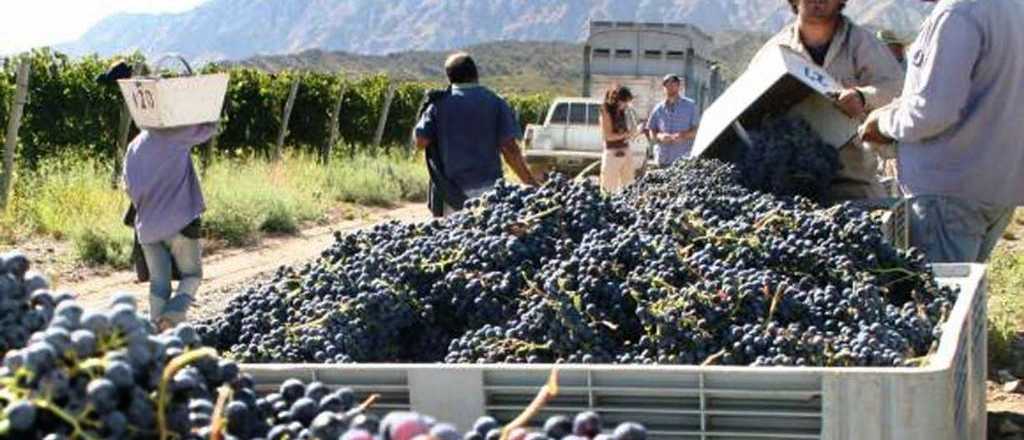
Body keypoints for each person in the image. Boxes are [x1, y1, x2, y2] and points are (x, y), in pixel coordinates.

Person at [859, 0, 1024, 263]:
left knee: (942, 298)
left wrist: (881, 124)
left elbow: (932, 113)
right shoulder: (1011, 7)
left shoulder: (956, 15)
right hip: (996, 187)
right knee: (965, 294)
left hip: (949, 194)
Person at [750, 0, 904, 201]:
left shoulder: (863, 45)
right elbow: (750, 110)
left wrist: (863, 96)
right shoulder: (774, 53)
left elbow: (897, 89)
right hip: (788, 191)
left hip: (853, 186)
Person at [414, 52, 539, 217]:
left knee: (453, 240)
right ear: (476, 74)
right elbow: (510, 150)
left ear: (449, 77)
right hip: (489, 192)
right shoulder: (495, 102)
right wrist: (530, 184)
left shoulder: (438, 105)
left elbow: (421, 141)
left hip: (452, 194)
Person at [123, 124, 216, 329]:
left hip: (147, 228)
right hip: (179, 223)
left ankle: (157, 331)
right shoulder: (174, 134)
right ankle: (171, 317)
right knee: (192, 275)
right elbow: (208, 128)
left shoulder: (134, 146)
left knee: (159, 284)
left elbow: (127, 187)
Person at [648, 74, 699, 167]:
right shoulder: (658, 108)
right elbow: (652, 130)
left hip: (683, 160)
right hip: (662, 159)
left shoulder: (690, 106)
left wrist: (682, 135)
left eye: (673, 84)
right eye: (667, 85)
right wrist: (660, 136)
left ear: (679, 86)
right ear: (663, 88)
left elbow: (697, 131)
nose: (670, 87)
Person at [599, 85, 639, 193]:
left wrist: (634, 132)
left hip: (626, 150)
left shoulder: (624, 112)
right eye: (625, 102)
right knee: (609, 188)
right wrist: (626, 134)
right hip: (612, 153)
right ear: (617, 100)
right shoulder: (606, 111)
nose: (626, 105)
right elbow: (607, 136)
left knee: (629, 186)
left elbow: (629, 128)